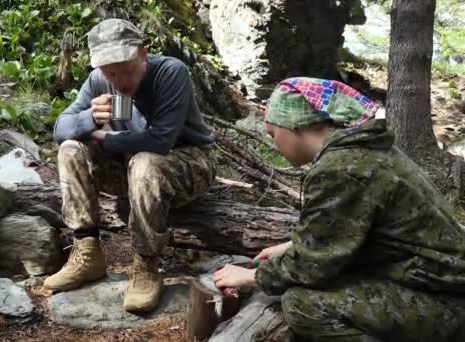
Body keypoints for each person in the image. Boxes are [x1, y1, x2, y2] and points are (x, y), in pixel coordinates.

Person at [213, 77, 465, 341]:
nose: (274, 142)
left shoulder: (342, 167)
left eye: (273, 134)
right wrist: (290, 247)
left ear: (294, 124)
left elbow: (312, 267)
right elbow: (348, 230)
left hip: (443, 301)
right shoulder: (360, 152)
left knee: (303, 304)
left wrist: (252, 276)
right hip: (436, 286)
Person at [44, 18, 216, 313]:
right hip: (133, 169)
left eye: (127, 70)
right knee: (72, 149)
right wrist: (88, 120)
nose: (121, 81)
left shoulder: (170, 73)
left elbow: (160, 141)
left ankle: (146, 263)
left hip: (189, 163)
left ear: (144, 54)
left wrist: (103, 136)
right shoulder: (100, 81)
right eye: (111, 73)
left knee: (146, 161)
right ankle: (87, 250)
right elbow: (61, 130)